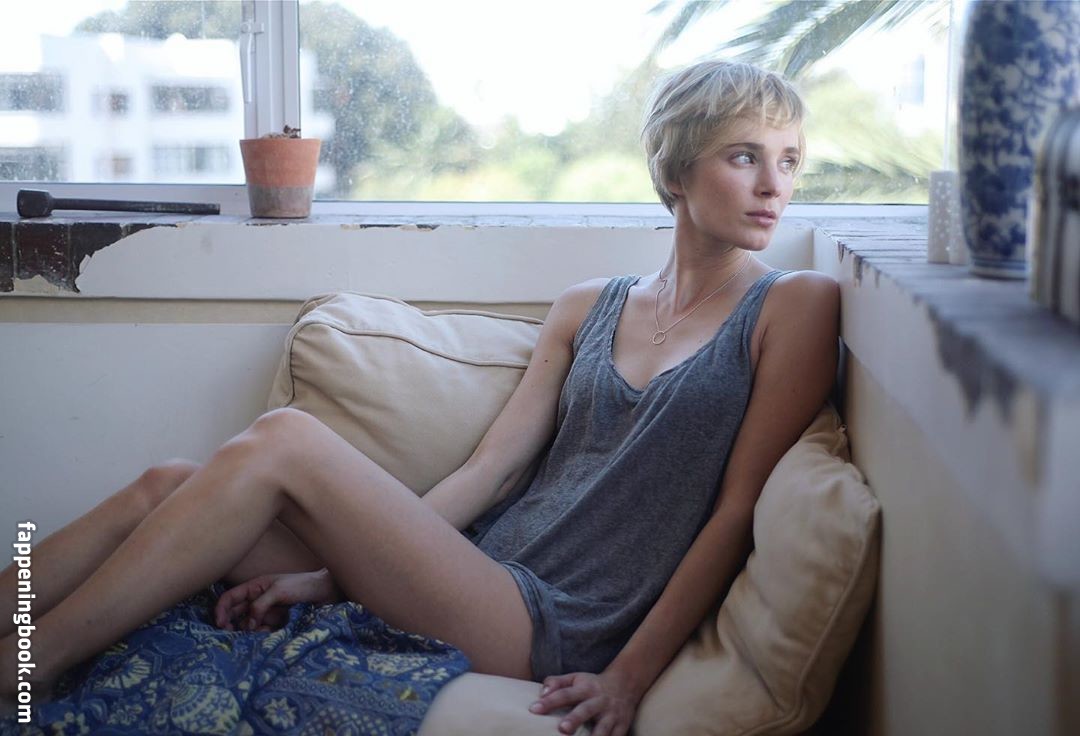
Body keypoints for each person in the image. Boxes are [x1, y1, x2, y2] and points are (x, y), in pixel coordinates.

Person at [0, 59, 838, 736]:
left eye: (790, 160)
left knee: (286, 438)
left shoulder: (794, 305)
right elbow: (489, 472)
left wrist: (627, 677)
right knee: (169, 483)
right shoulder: (589, 305)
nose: (775, 184)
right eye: (745, 156)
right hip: (477, 570)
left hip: (553, 621)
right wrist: (331, 577)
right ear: (678, 169)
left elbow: (735, 512)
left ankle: (28, 665)